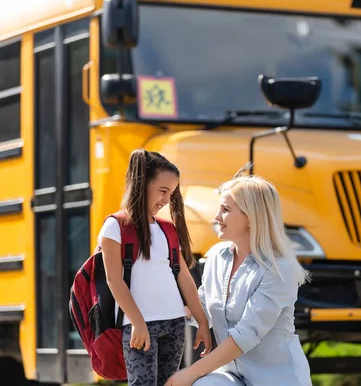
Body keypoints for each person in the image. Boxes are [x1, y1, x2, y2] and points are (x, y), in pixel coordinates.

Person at [165, 174, 312, 386]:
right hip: (232, 376)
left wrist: (190, 373)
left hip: (278, 379)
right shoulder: (217, 256)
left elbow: (246, 335)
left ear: (251, 217)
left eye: (225, 210)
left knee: (196, 381)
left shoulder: (280, 269)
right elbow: (201, 308)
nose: (216, 217)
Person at [99, 148, 212, 385]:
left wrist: (202, 320)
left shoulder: (167, 229)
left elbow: (183, 276)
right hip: (139, 326)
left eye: (171, 193)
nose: (166, 199)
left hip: (175, 324)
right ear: (142, 184)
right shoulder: (115, 226)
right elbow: (114, 280)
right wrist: (138, 322)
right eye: (162, 190)